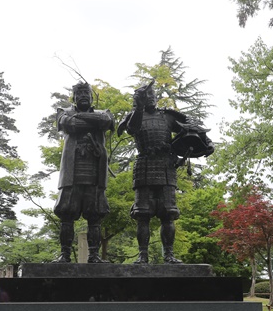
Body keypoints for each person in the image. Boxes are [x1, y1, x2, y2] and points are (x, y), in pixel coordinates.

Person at [118, 81, 214, 264]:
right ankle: (142, 254)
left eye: (152, 95)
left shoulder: (168, 116)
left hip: (166, 166)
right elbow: (133, 129)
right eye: (146, 96)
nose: (150, 98)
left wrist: (207, 142)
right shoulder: (134, 116)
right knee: (142, 214)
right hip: (144, 165)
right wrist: (138, 107)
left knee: (168, 213)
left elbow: (191, 125)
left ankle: (169, 254)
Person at [53, 81, 114, 263]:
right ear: (74, 97)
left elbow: (106, 121)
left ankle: (94, 255)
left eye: (86, 94)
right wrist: (92, 122)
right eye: (79, 94)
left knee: (95, 215)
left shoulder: (103, 113)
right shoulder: (63, 112)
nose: (83, 97)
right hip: (72, 172)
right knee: (66, 213)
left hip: (95, 173)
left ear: (91, 97)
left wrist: (81, 118)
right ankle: (65, 254)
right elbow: (69, 124)